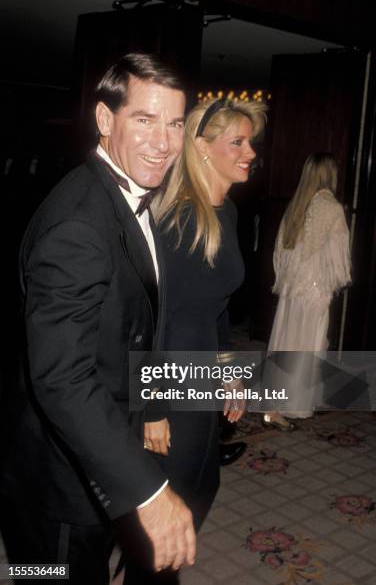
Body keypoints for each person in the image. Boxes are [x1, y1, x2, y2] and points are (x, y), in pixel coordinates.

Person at [0, 53, 196, 584]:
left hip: (96, 458)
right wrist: (149, 493)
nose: (164, 142)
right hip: (56, 480)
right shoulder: (79, 223)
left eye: (175, 123)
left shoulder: (123, 193)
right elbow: (62, 376)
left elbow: (130, 326)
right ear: (106, 120)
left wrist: (148, 404)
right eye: (145, 119)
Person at [144, 97, 267, 536]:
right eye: (237, 142)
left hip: (201, 374)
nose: (250, 153)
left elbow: (216, 306)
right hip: (171, 377)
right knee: (172, 506)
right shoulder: (180, 219)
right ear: (201, 147)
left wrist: (229, 371)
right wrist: (152, 405)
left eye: (250, 143)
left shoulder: (227, 212)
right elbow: (152, 317)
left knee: (201, 487)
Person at [263, 152, 351, 430]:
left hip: (292, 288)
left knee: (285, 343)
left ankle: (273, 405)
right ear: (329, 174)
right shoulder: (332, 207)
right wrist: (336, 281)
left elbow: (282, 252)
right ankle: (296, 404)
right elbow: (339, 256)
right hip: (315, 290)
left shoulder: (296, 206)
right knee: (307, 347)